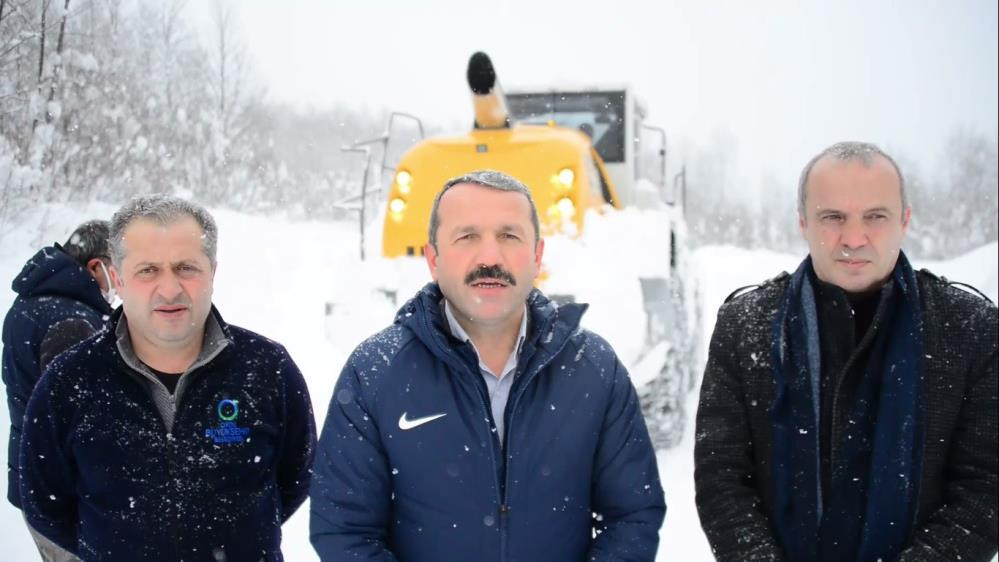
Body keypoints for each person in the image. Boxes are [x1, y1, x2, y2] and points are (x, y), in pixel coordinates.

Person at [310, 170, 665, 561]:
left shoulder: (595, 369)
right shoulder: (375, 373)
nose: (490, 257)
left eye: (509, 236)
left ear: (537, 256)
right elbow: (345, 530)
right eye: (467, 237)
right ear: (433, 259)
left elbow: (632, 517)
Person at [694, 141, 998, 561]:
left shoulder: (971, 328)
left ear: (905, 220)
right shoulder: (745, 325)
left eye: (875, 216)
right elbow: (721, 481)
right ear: (803, 222)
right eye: (832, 217)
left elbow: (986, 491)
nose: (853, 238)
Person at [19, 194, 316, 561]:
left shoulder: (267, 368)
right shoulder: (69, 380)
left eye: (186, 267)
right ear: (117, 278)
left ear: (213, 273)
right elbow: (46, 504)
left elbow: (295, 477)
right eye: (148, 270)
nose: (170, 288)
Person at [3, 220, 115, 558]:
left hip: (37, 479)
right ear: (97, 266)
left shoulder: (33, 303)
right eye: (117, 272)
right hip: (66, 492)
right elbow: (80, 418)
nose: (119, 287)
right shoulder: (70, 319)